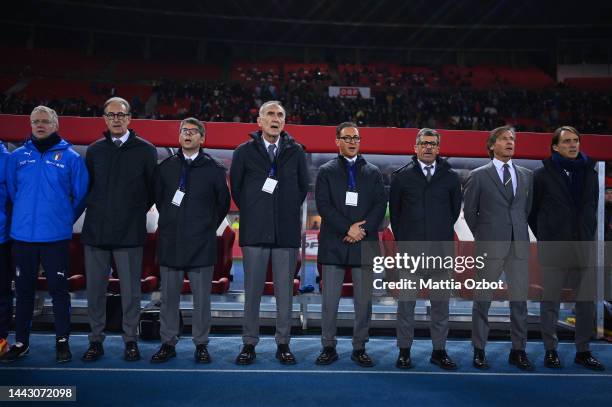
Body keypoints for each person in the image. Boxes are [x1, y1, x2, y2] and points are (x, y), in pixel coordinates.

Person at [1, 106, 88, 363]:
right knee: (24, 292)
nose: (40, 125)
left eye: (45, 121)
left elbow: (81, 195)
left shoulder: (71, 157)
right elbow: (14, 193)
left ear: (55, 124)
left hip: (55, 238)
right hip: (23, 237)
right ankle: (21, 342)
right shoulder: (18, 157)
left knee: (59, 292)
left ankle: (62, 341)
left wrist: (62, 218)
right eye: (35, 121)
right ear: (30, 125)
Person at [229, 101, 309, 365]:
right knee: (252, 292)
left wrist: (283, 210)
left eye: (280, 115)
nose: (275, 119)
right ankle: (249, 344)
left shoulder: (296, 152)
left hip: (285, 233)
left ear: (284, 122)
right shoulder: (243, 152)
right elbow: (238, 190)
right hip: (254, 232)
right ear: (260, 121)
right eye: (270, 114)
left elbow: (301, 188)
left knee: (284, 294)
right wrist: (256, 209)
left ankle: (283, 344)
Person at [81, 97, 157, 362]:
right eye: (111, 115)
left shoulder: (147, 151)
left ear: (129, 118)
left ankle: (130, 341)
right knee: (95, 292)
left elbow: (151, 192)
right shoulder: (94, 150)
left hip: (129, 233)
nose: (116, 119)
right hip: (96, 234)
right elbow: (87, 190)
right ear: (104, 118)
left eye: (120, 115)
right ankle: (95, 340)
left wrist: (131, 212)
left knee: (131, 293)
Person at [150, 118, 230, 363]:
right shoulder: (165, 168)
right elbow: (159, 199)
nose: (188, 135)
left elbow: (222, 204)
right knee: (168, 298)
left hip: (201, 244)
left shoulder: (215, 169)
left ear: (202, 139)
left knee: (202, 300)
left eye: (194, 132)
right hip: (171, 242)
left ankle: (201, 344)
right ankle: (168, 342)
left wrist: (205, 228)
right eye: (184, 131)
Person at [529, 126, 605, 371]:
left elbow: (591, 209)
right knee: (550, 301)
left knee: (586, 303)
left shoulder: (591, 174)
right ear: (555, 146)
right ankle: (551, 351)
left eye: (576, 141)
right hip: (555, 247)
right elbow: (532, 212)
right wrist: (548, 237)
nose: (573, 145)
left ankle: (583, 350)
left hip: (584, 247)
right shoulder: (541, 175)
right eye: (567, 141)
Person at [314, 122, 386, 367]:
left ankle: (359, 347)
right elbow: (323, 206)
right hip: (335, 243)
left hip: (364, 243)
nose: (353, 142)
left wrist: (361, 230)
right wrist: (348, 228)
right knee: (329, 301)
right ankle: (328, 346)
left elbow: (379, 206)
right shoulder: (325, 170)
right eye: (347, 138)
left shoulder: (374, 172)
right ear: (337, 141)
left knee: (363, 301)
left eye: (356, 138)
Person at [389, 128, 462, 370]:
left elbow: (453, 213)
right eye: (424, 143)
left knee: (441, 306)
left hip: (441, 253)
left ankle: (439, 351)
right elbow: (396, 218)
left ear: (439, 148)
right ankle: (404, 352)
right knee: (406, 305)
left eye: (433, 144)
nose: (428, 147)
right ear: (415, 147)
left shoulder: (451, 177)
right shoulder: (401, 177)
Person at [463, 125, 534, 371]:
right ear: (492, 145)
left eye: (512, 138)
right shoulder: (479, 175)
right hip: (489, 246)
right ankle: (479, 350)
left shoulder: (526, 175)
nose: (510, 142)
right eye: (504, 139)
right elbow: (470, 212)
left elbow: (526, 210)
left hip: (519, 246)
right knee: (483, 300)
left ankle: (519, 350)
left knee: (520, 301)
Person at [0, 141, 11, 357]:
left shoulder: (8, 159)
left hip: (1, 237)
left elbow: (16, 196)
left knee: (1, 291)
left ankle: (1, 338)